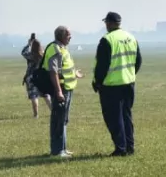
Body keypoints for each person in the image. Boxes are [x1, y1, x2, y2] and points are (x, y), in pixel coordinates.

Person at [92, 11, 142, 157]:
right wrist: (130, 74)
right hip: (128, 83)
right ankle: (129, 146)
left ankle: (120, 148)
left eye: (106, 23)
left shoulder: (107, 40)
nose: (105, 25)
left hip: (111, 85)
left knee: (114, 118)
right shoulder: (131, 37)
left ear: (109, 23)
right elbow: (138, 61)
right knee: (126, 115)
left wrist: (98, 83)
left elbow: (102, 65)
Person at [41, 26, 82, 158]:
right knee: (58, 119)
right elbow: (53, 72)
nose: (70, 37)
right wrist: (58, 91)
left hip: (68, 88)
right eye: (68, 35)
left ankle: (63, 148)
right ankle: (57, 151)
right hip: (61, 89)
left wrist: (75, 73)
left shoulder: (63, 48)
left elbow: (64, 68)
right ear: (61, 36)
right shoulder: (55, 49)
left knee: (63, 119)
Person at [21, 34, 52, 118]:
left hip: (31, 78)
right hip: (42, 77)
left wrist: (29, 44)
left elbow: (23, 52)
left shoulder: (31, 55)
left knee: (34, 96)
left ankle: (36, 115)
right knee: (46, 95)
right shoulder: (43, 55)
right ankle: (53, 112)